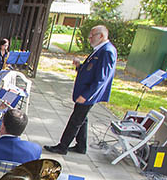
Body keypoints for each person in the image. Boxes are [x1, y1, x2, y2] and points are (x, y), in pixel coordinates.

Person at [45, 25, 117, 155]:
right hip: (85, 91)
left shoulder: (107, 51)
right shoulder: (99, 49)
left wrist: (86, 95)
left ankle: (62, 146)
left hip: (89, 94)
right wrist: (80, 66)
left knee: (76, 120)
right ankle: (81, 146)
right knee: (82, 118)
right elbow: (91, 69)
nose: (89, 38)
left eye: (92, 35)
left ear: (101, 36)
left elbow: (102, 78)